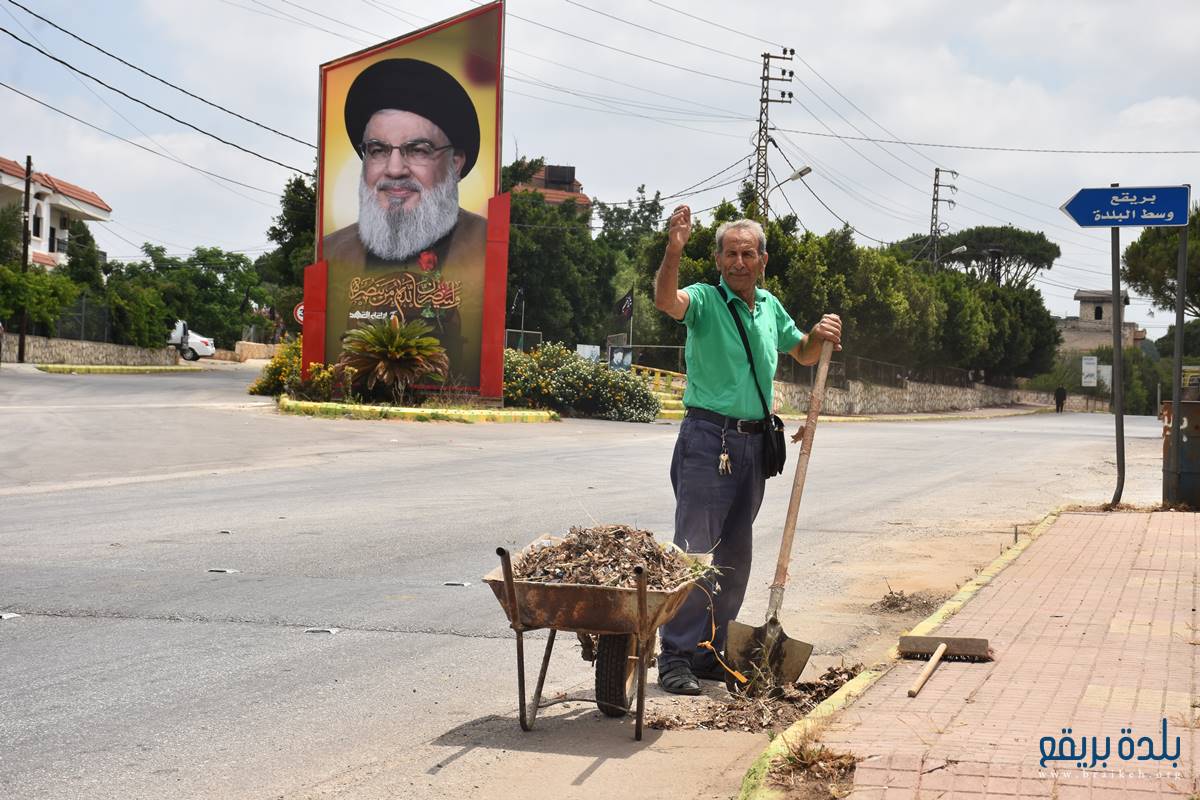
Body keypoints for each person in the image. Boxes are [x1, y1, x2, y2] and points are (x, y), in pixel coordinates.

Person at [652, 206, 842, 695]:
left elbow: (801, 351)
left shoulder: (770, 307)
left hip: (754, 444)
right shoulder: (704, 299)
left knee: (735, 556)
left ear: (762, 260)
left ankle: (709, 652)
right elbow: (666, 300)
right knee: (696, 553)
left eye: (748, 254)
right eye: (731, 254)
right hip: (707, 440)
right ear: (718, 260)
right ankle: (674, 655)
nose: (739, 262)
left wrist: (819, 335)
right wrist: (673, 250)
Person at [322, 58, 488, 383]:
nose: (395, 169)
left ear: (455, 163)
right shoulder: (332, 251)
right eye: (378, 150)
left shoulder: (486, 245)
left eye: (418, 150)